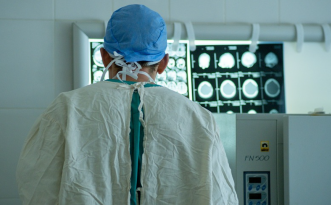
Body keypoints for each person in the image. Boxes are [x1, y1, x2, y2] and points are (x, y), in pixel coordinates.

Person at [16, 4, 238, 205]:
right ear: (163, 63)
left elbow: (37, 190)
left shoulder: (66, 109)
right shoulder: (199, 119)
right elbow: (220, 197)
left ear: (103, 57)